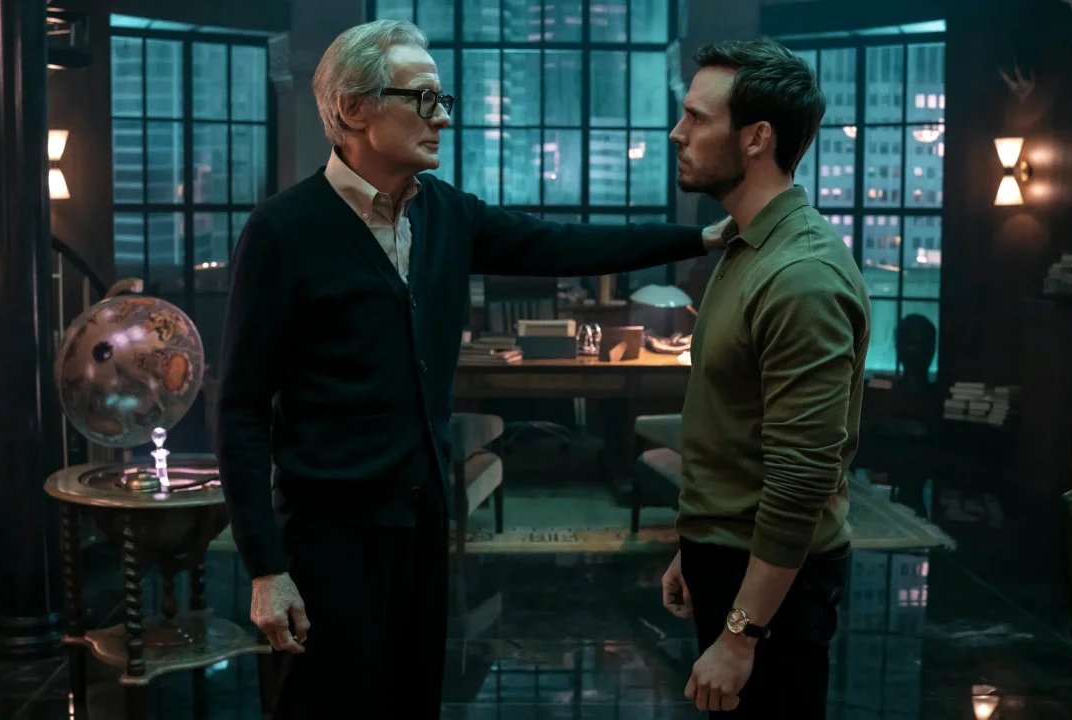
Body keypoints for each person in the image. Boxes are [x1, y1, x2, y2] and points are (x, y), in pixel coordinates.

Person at [213, 19, 726, 720]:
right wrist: (266, 568)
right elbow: (241, 408)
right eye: (423, 99)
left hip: (423, 517)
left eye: (443, 98)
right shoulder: (282, 230)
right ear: (354, 109)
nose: (444, 118)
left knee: (412, 698)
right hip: (327, 534)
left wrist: (700, 237)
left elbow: (565, 244)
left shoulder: (444, 213)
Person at [659, 39, 871, 717]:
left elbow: (801, 477)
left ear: (756, 138)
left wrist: (740, 634)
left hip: (775, 585)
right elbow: (735, 428)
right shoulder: (746, 243)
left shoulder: (800, 275)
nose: (677, 133)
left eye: (697, 117)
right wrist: (695, 546)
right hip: (729, 557)